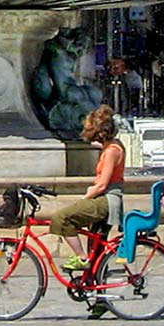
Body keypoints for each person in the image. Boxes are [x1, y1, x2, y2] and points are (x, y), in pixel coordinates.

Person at [47, 106, 124, 274]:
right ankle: (96, 289)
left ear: (101, 133)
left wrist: (85, 198)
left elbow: (102, 185)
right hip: (106, 200)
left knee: (62, 217)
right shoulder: (112, 146)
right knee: (96, 248)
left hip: (106, 201)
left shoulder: (111, 151)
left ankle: (82, 258)